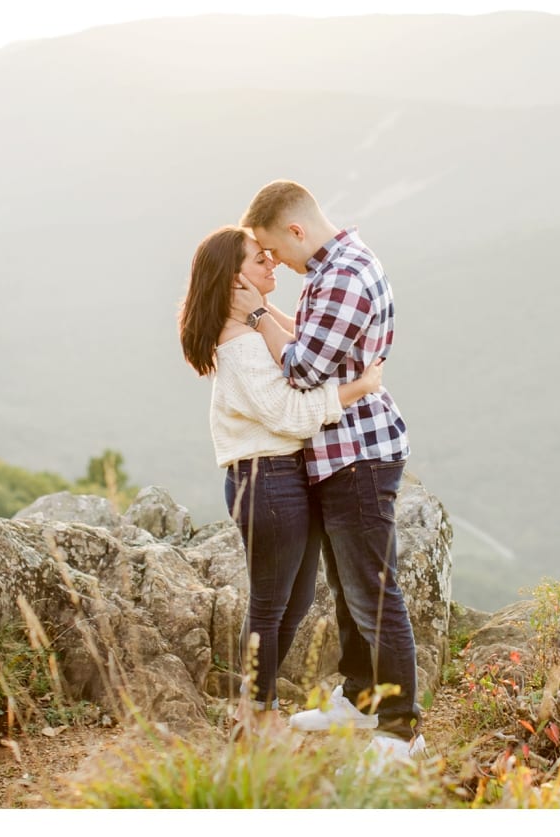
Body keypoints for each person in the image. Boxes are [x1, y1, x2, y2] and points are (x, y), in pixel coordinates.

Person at [233, 180, 424, 762]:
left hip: (359, 457)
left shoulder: (340, 275)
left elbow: (303, 369)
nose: (279, 264)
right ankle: (360, 698)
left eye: (275, 250)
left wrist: (258, 313)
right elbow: (317, 345)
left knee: (374, 594)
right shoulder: (334, 268)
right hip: (342, 454)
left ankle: (399, 730)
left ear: (296, 230)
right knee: (348, 589)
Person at [178, 225, 385, 715]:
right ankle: (257, 710)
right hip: (266, 480)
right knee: (271, 606)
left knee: (294, 603)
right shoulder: (240, 346)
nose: (272, 264)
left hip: (285, 476)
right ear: (234, 280)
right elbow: (288, 413)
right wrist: (361, 387)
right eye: (258, 260)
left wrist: (259, 307)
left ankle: (259, 701)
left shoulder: (251, 329)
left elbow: (302, 346)